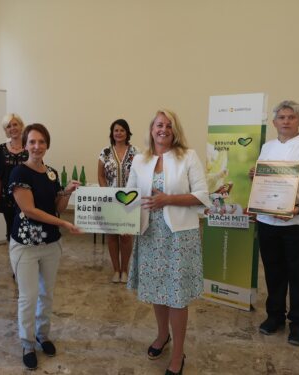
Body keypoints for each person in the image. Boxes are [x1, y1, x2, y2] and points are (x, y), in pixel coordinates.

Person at [126, 109, 210, 375]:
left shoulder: (189, 156)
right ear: (151, 129)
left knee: (176, 296)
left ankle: (177, 354)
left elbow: (202, 196)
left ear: (175, 131)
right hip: (150, 234)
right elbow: (128, 195)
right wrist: (122, 221)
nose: (163, 129)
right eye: (159, 124)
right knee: (157, 291)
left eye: (169, 126)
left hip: (178, 236)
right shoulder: (140, 160)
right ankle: (163, 335)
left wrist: (168, 199)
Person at [252, 100, 299, 346]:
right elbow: (266, 181)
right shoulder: (267, 147)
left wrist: (297, 209)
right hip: (267, 221)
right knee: (273, 273)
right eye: (282, 117)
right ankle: (274, 316)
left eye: (291, 117)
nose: (286, 121)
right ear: (274, 122)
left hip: (298, 224)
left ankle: (298, 323)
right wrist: (257, 175)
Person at [8, 123, 81, 370]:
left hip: (51, 243)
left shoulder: (50, 173)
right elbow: (29, 210)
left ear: (47, 145)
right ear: (25, 145)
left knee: (46, 294)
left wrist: (67, 192)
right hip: (25, 245)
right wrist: (63, 223)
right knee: (28, 297)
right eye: (32, 142)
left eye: (41, 142)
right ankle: (27, 343)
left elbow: (56, 206)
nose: (37, 146)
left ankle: (43, 335)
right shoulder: (19, 173)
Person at [97, 119, 139, 283]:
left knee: (126, 236)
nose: (119, 133)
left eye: (122, 130)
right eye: (116, 130)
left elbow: (141, 174)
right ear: (112, 133)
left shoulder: (136, 152)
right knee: (112, 236)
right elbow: (100, 175)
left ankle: (125, 269)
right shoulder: (105, 152)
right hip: (110, 201)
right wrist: (105, 191)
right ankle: (116, 270)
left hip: (130, 201)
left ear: (127, 132)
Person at [0, 113, 28, 241]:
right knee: (11, 232)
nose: (12, 128)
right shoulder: (1, 149)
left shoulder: (30, 147)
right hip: (7, 199)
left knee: (27, 232)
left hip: (28, 199)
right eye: (8, 126)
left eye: (15, 124)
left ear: (21, 126)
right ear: (6, 130)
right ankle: (14, 259)